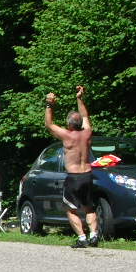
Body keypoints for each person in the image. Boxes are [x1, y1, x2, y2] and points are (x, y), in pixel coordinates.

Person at [45, 85, 99, 247]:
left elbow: (49, 124)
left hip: (74, 177)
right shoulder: (87, 133)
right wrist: (79, 98)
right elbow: (85, 115)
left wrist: (49, 104)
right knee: (89, 207)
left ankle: (82, 237)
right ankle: (94, 235)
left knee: (71, 209)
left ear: (69, 124)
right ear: (80, 123)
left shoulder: (67, 135)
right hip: (88, 174)